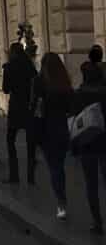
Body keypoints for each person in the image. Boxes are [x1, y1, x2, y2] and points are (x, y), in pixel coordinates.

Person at [32, 51, 74, 221]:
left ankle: (61, 203)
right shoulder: (64, 83)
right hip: (62, 129)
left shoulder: (38, 82)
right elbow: (70, 108)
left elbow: (34, 108)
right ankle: (61, 201)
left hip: (45, 130)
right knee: (59, 166)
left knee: (54, 168)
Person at [72, 47, 106, 233]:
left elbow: (75, 120)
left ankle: (97, 222)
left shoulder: (80, 93)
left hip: (87, 143)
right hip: (104, 140)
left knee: (91, 184)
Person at [2, 42, 38, 185]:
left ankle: (14, 175)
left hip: (16, 107)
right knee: (31, 142)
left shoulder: (9, 67)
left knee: (11, 140)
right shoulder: (30, 65)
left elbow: (5, 89)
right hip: (29, 107)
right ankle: (30, 177)